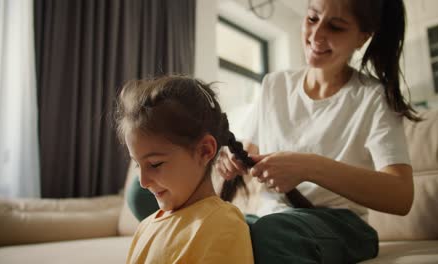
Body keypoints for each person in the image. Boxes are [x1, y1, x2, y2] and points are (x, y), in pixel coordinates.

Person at [215, 0, 420, 263]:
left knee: (269, 234)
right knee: (216, 229)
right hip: (272, 219)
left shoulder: (374, 98)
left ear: (362, 38)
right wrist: (231, 161)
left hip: (341, 226)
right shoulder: (273, 85)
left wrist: (309, 167)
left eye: (335, 27)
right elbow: (249, 149)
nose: (317, 35)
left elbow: (401, 196)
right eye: (312, 19)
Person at [115, 76, 254, 264]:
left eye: (155, 164)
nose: (143, 182)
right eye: (137, 164)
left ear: (205, 151)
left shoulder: (222, 225)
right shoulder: (146, 227)